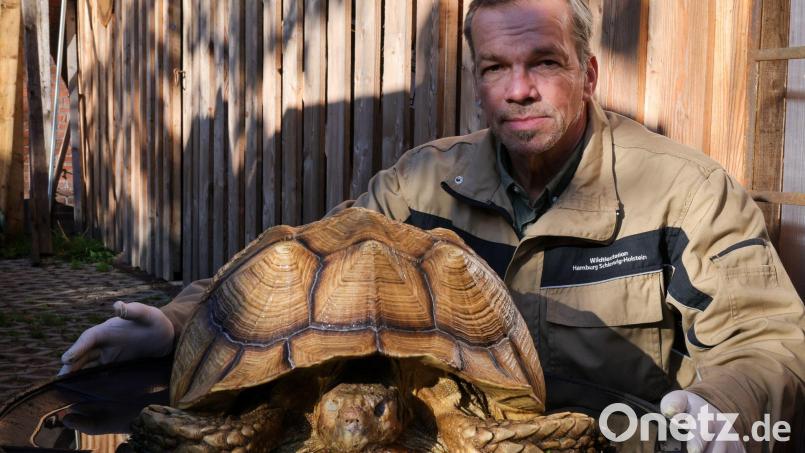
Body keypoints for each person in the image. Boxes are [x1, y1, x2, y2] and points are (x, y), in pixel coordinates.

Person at [60, 0, 805, 451]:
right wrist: (175, 320)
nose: (517, 89)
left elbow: (766, 341)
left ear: (587, 71)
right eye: (493, 67)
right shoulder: (422, 184)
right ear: (476, 79)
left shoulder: (682, 191)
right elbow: (294, 266)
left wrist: (717, 405)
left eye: (542, 62)